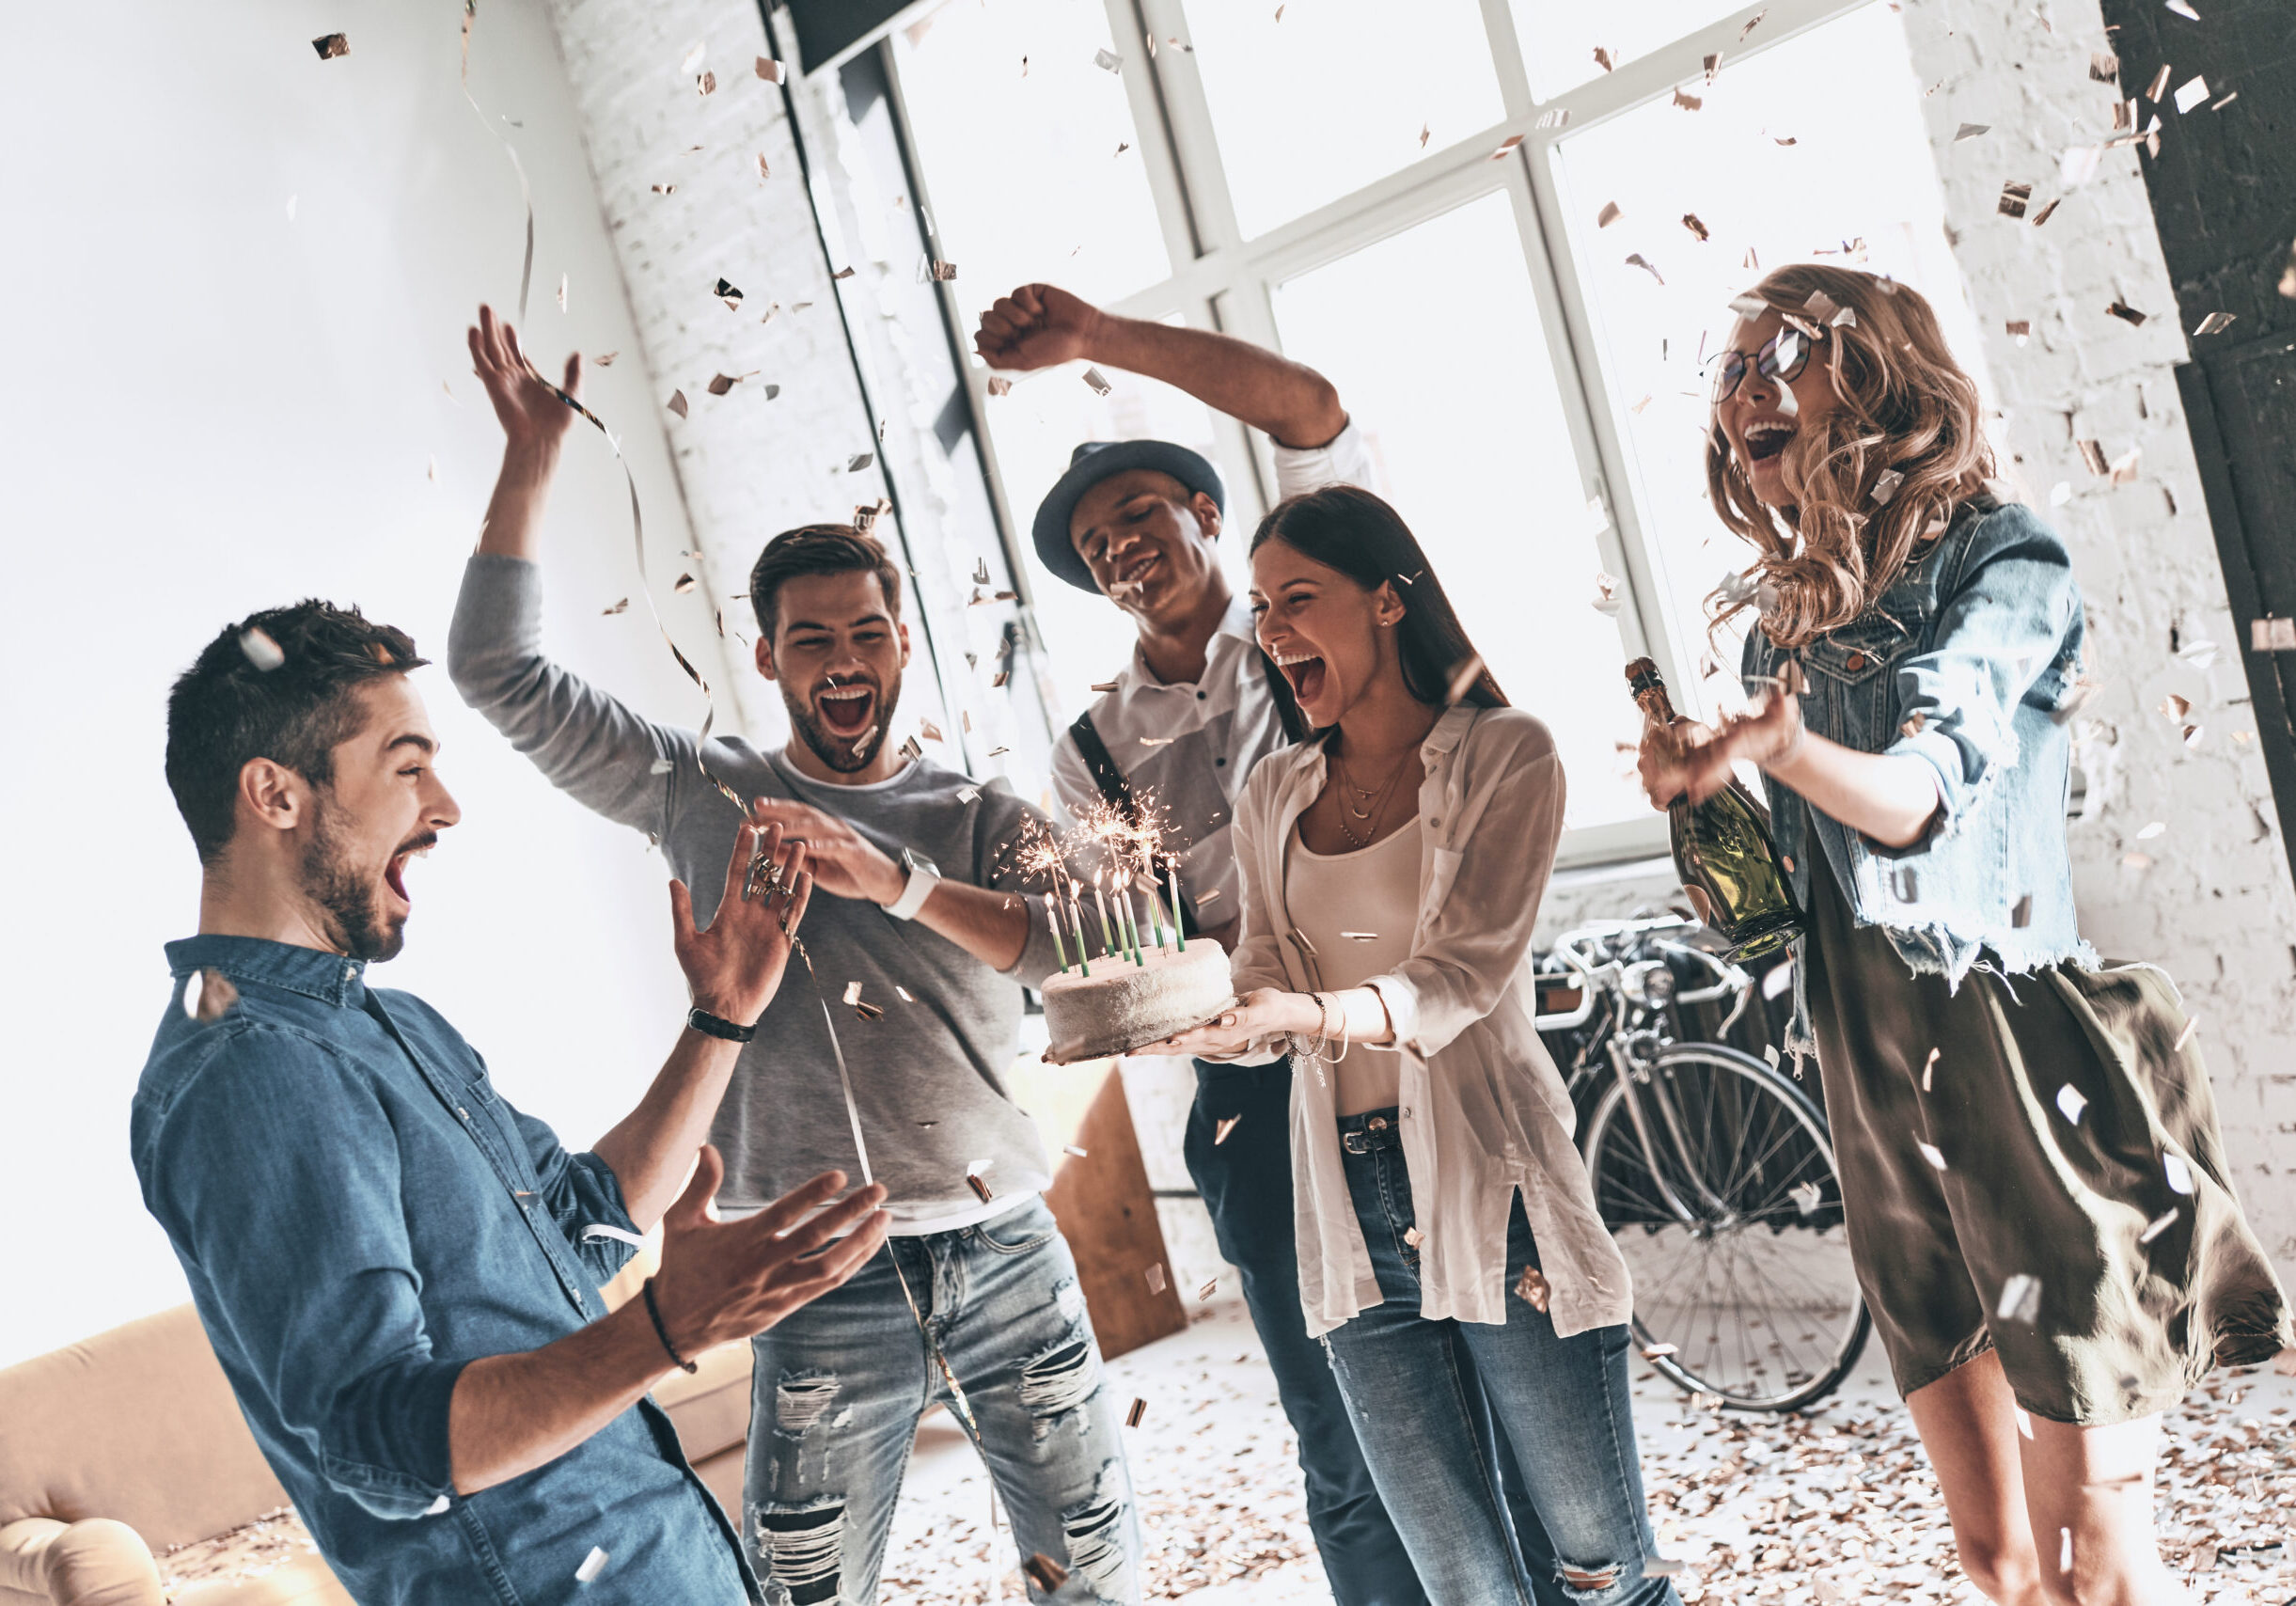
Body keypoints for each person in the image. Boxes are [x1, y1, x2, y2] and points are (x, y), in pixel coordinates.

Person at [447, 307, 1138, 1605]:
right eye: (810, 639)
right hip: (812, 1266)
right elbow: (495, 671)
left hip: (1003, 1250)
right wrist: (533, 457)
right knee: (799, 1590)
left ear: (899, 647)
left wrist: (896, 879)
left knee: (1095, 1576)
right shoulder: (698, 792)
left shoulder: (979, 816)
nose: (842, 661)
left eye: (865, 634)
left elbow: (1098, 958)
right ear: (766, 657)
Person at [1635, 263, 2290, 1606]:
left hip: (2025, 1076)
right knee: (2000, 1565)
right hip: (1873, 1088)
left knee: (2089, 1563)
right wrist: (1717, 814)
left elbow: (1923, 794)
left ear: (1874, 377)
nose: (1744, 384)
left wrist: (1791, 747)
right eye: (1729, 367)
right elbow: (1789, 901)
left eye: (1783, 355)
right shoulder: (1781, 627)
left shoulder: (2005, 561)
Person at [135, 599, 889, 1606]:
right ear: (275, 794)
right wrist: (668, 1328)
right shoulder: (249, 1070)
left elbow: (586, 1219)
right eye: (407, 766)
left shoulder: (390, 1025)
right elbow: (385, 1442)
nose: (445, 806)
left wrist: (723, 1016)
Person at [975, 283, 1430, 1606]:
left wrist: (1097, 344)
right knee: (1336, 1431)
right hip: (1247, 1100)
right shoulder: (1090, 749)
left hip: (1402, 1059)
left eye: (1140, 516)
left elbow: (1310, 409)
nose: (1121, 548)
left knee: (1473, 1368)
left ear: (1208, 516)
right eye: (1092, 542)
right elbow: (1121, 938)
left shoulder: (1334, 615)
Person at [1152, 486, 1682, 1606]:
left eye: (1301, 598)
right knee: (1462, 1585)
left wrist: (1303, 1017)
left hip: (1498, 1190)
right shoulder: (1271, 790)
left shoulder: (1508, 753)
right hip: (1341, 1202)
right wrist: (1200, 1017)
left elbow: (1463, 976)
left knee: (1598, 1568)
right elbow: (1268, 976)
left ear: (1389, 598)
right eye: (1261, 606)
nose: (1273, 629)